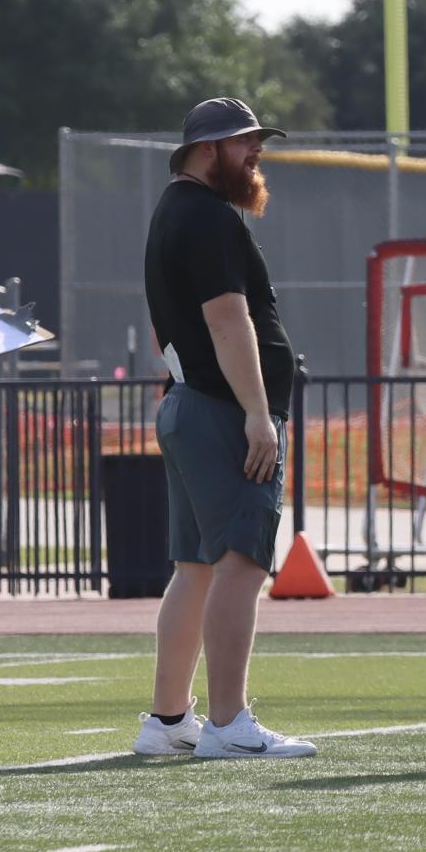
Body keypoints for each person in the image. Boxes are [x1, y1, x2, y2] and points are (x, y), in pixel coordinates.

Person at [137, 98, 316, 761]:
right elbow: (227, 319)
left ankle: (167, 717)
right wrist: (256, 411)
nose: (256, 155)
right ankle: (228, 720)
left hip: (189, 400)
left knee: (196, 568)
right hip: (219, 409)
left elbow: (166, 324)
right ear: (208, 149)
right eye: (246, 143)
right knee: (240, 562)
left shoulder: (171, 210)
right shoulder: (208, 216)